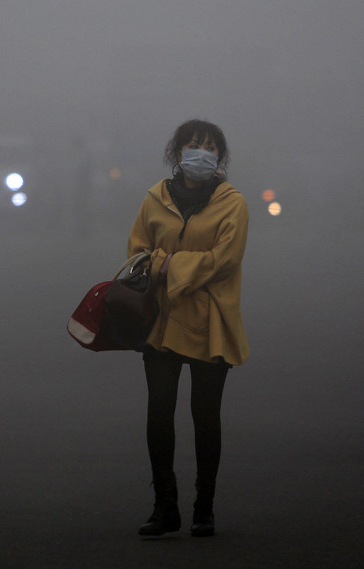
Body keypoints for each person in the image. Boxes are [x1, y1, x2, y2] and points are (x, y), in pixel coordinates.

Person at [127, 119, 249, 537]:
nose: (202, 152)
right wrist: (166, 264)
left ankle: (204, 507)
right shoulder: (154, 200)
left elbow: (225, 260)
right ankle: (164, 507)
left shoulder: (233, 202)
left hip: (210, 323)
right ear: (177, 153)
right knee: (159, 413)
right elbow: (138, 254)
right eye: (194, 145)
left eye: (210, 147)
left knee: (205, 416)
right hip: (160, 321)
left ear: (220, 157)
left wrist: (168, 264)